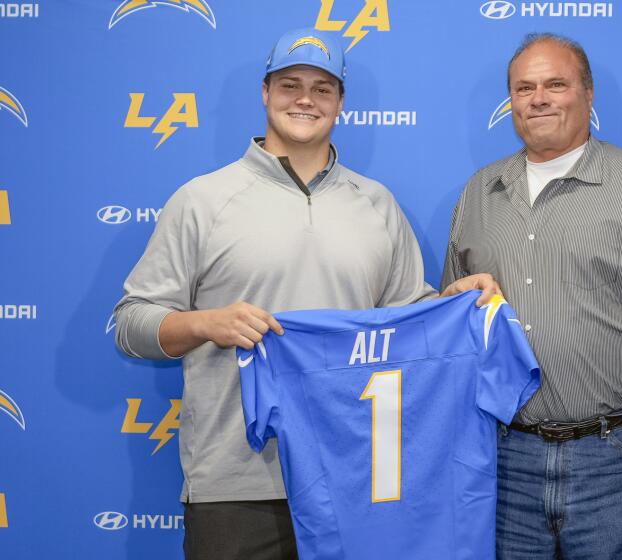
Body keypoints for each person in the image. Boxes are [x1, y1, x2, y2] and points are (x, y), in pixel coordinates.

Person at [114, 27, 497, 560]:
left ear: (340, 102)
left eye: (322, 88)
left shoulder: (378, 203)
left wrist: (455, 301)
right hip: (237, 484)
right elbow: (131, 325)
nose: (304, 99)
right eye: (290, 84)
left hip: (358, 479)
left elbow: (413, 325)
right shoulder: (202, 200)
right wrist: (206, 323)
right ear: (265, 93)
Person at [442, 33, 622, 559]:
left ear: (588, 95)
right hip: (505, 466)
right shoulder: (480, 193)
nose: (538, 98)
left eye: (555, 84)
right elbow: (448, 328)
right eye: (524, 87)